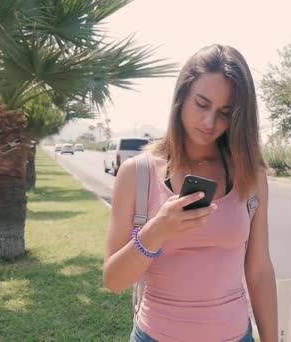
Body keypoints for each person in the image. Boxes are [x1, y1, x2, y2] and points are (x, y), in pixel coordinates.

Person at [103, 44, 278, 342]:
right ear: (181, 96)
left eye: (225, 112)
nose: (210, 123)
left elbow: (259, 269)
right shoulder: (137, 173)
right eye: (201, 104)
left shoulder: (250, 175)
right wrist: (157, 230)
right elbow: (114, 280)